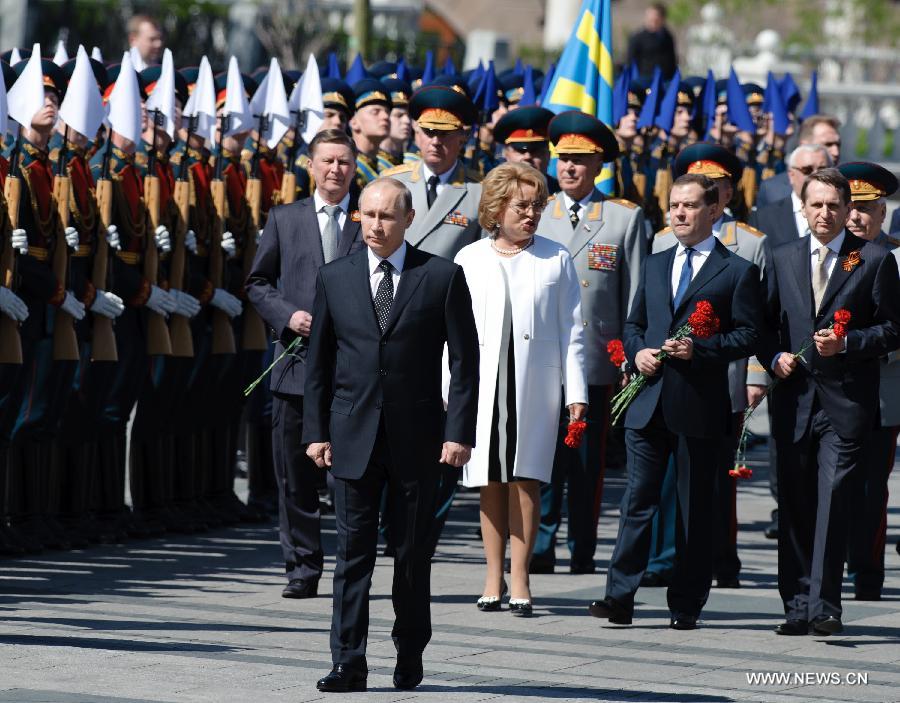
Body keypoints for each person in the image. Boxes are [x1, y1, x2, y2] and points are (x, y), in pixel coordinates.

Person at [303, 177, 479, 692]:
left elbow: (466, 362)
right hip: (352, 436)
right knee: (351, 555)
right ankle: (347, 661)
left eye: (386, 216)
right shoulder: (335, 277)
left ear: (408, 220)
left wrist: (457, 432)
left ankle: (409, 651)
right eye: (367, 215)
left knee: (410, 553)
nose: (375, 225)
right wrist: (316, 431)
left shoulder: (441, 276)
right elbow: (320, 362)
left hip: (417, 438)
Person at [589, 173, 762, 630]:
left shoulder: (737, 270)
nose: (680, 214)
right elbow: (634, 324)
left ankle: (686, 602)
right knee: (637, 501)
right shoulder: (654, 262)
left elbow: (749, 334)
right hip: (648, 401)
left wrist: (700, 350)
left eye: (689, 206)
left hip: (699, 405)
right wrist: (637, 351)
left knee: (693, 507)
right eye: (674, 206)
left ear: (712, 212)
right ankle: (618, 596)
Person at [758, 168, 900, 636]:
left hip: (844, 403)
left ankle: (824, 605)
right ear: (803, 208)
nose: (824, 213)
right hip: (794, 401)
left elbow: (892, 328)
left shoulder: (874, 259)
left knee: (834, 498)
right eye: (816, 205)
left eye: (833, 206)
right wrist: (774, 356)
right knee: (795, 504)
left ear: (846, 210)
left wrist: (848, 343)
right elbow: (762, 326)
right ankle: (796, 605)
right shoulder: (781, 257)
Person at [452, 163, 587, 616]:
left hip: (536, 382)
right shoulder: (470, 257)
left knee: (526, 478)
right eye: (521, 206)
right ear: (496, 208)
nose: (530, 214)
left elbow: (573, 330)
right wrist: (450, 392)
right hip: (483, 385)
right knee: (489, 479)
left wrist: (577, 391)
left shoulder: (556, 256)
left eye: (536, 206)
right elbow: (454, 334)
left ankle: (522, 578)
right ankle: (493, 576)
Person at [246, 130, 365, 599]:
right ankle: (301, 567)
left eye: (344, 162)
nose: (336, 169)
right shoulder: (285, 217)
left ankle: (351, 566)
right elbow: (257, 282)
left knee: (348, 477)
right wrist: (286, 315)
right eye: (327, 161)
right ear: (310, 166)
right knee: (295, 474)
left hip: (351, 370)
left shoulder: (367, 217)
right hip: (295, 366)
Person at [533, 111, 646, 575]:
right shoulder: (537, 212)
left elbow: (635, 294)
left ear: (599, 164)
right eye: (564, 159)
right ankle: (539, 546)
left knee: (586, 465)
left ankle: (581, 547)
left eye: (581, 160)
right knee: (541, 458)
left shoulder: (623, 218)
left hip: (599, 363)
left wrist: (629, 356)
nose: (570, 168)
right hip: (542, 358)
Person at [652, 143, 768, 590]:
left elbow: (758, 318)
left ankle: (722, 557)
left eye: (715, 185)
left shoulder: (751, 243)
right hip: (668, 377)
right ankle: (665, 557)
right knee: (666, 476)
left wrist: (756, 377)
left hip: (724, 375)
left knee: (717, 476)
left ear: (724, 194)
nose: (705, 193)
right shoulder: (664, 238)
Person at [837, 161, 900, 601]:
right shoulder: (830, 254)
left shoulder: (895, 257)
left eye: (868, 209)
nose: (858, 217)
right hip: (832, 387)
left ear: (883, 215)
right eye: (852, 208)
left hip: (881, 387)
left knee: (870, 484)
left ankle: (866, 570)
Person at [751, 144, 832, 250]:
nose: (816, 176)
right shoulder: (763, 218)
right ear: (791, 175)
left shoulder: (844, 215)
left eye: (823, 170)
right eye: (807, 170)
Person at [755, 115, 842, 207]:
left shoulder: (848, 185)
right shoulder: (772, 190)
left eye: (838, 144)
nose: (836, 152)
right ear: (804, 145)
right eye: (828, 144)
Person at [492, 106, 560, 194]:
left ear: (548, 155)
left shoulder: (563, 194)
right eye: (520, 150)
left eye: (535, 150)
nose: (528, 156)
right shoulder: (491, 193)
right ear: (506, 154)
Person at [349, 78, 393, 189]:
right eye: (375, 112)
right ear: (354, 122)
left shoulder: (384, 167)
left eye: (387, 112)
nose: (385, 117)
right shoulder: (346, 168)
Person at [627, 4, 677, 80]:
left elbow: (672, 61)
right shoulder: (638, 38)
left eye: (655, 20)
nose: (652, 23)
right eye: (649, 19)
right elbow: (630, 62)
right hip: (645, 82)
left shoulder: (667, 36)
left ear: (662, 19)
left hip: (665, 80)